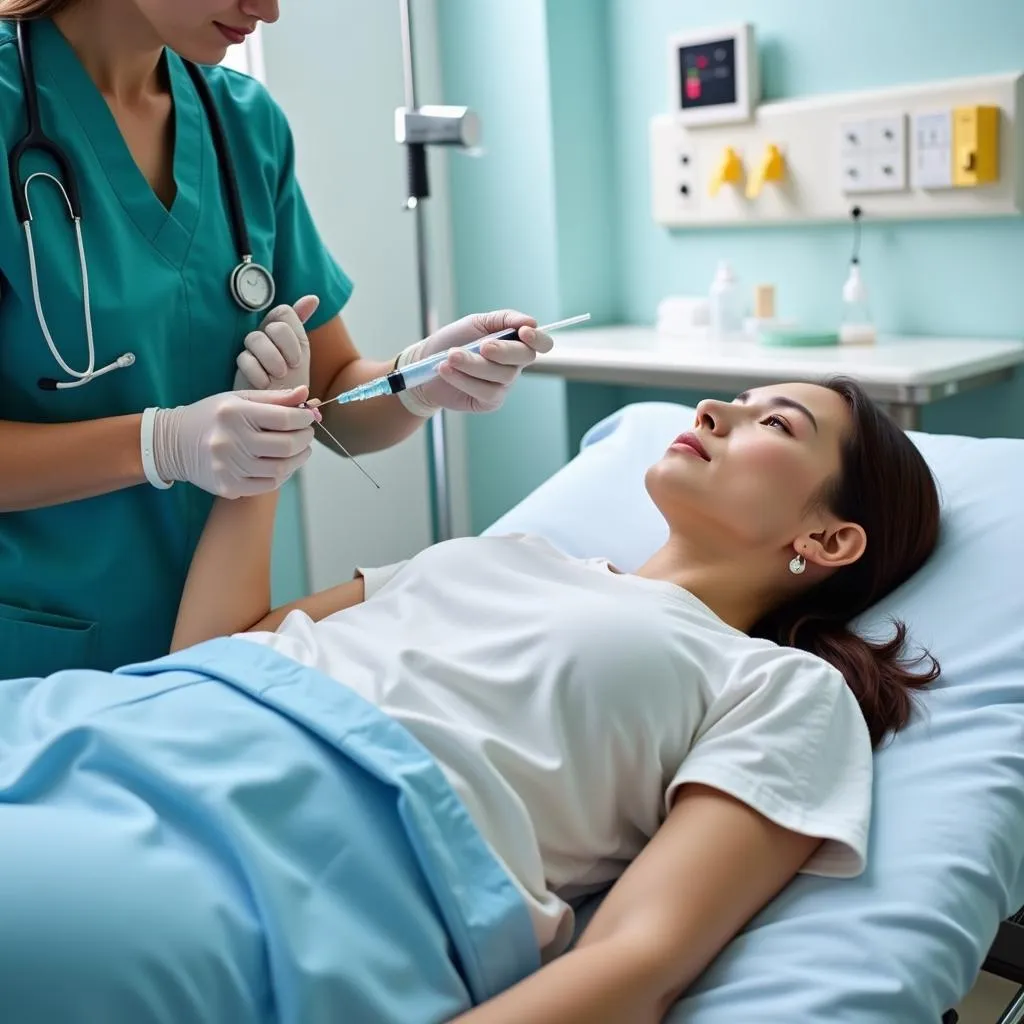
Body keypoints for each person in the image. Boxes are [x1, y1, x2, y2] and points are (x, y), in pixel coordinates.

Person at [0, 378, 941, 1023]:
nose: (716, 409)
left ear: (830, 540)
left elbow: (640, 958)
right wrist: (260, 455)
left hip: (290, 844)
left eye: (777, 425)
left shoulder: (780, 688)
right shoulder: (501, 554)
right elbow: (214, 648)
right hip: (114, 720)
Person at [0, 0, 553, 677]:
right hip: (33, 658)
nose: (268, 10)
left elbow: (331, 400)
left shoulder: (242, 122)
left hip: (220, 650)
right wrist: (162, 443)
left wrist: (421, 378)